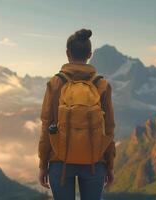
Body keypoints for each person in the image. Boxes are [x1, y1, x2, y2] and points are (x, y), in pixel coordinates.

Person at [37, 29, 116, 200]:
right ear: (90, 54)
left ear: (67, 53)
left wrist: (43, 164)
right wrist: (109, 165)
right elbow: (109, 129)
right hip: (95, 162)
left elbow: (46, 125)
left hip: (59, 160)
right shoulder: (101, 85)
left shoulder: (55, 83)